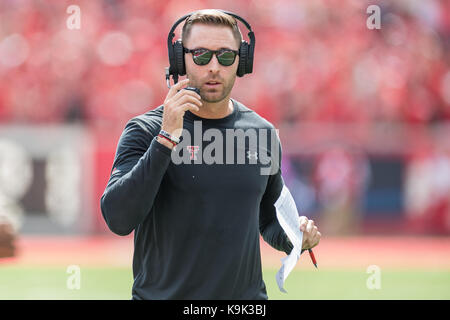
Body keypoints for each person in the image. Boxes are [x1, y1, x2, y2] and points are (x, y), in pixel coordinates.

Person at [100, 9, 321, 300]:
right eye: (201, 55)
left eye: (225, 56)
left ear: (242, 61)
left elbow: (267, 220)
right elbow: (118, 218)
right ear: (180, 59)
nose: (214, 66)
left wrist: (297, 237)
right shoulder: (146, 130)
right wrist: (165, 139)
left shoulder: (262, 133)